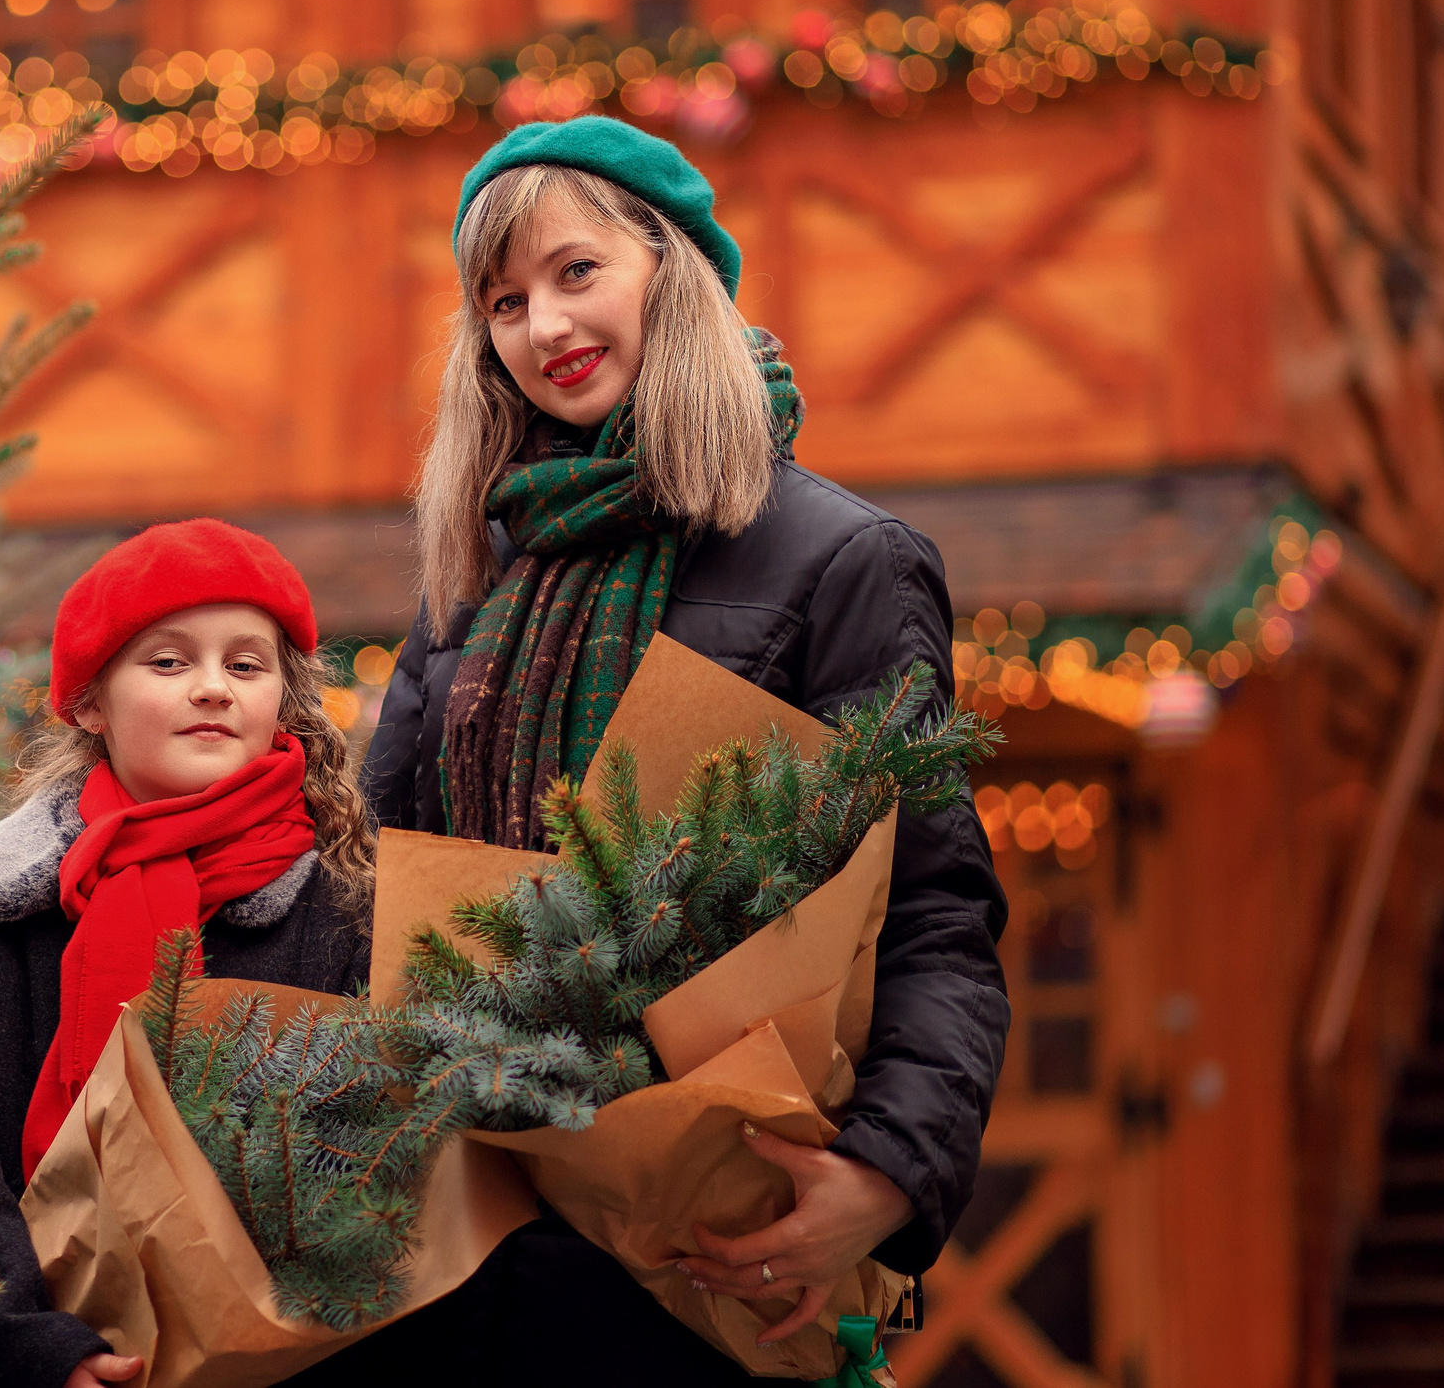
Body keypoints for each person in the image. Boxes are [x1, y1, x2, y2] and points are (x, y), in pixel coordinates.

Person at [364, 117, 1011, 1374]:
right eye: (503, 302)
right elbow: (373, 885)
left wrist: (891, 1170)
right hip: (481, 1234)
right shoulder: (470, 582)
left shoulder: (839, 561)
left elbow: (933, 908)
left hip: (721, 1239)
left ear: (675, 269)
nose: (543, 328)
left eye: (576, 273)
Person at [0, 519, 376, 1388]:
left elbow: (386, 1151)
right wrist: (34, 1354)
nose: (212, 687)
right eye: (169, 662)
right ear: (90, 703)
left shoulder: (351, 908)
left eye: (245, 665)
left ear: (282, 702)